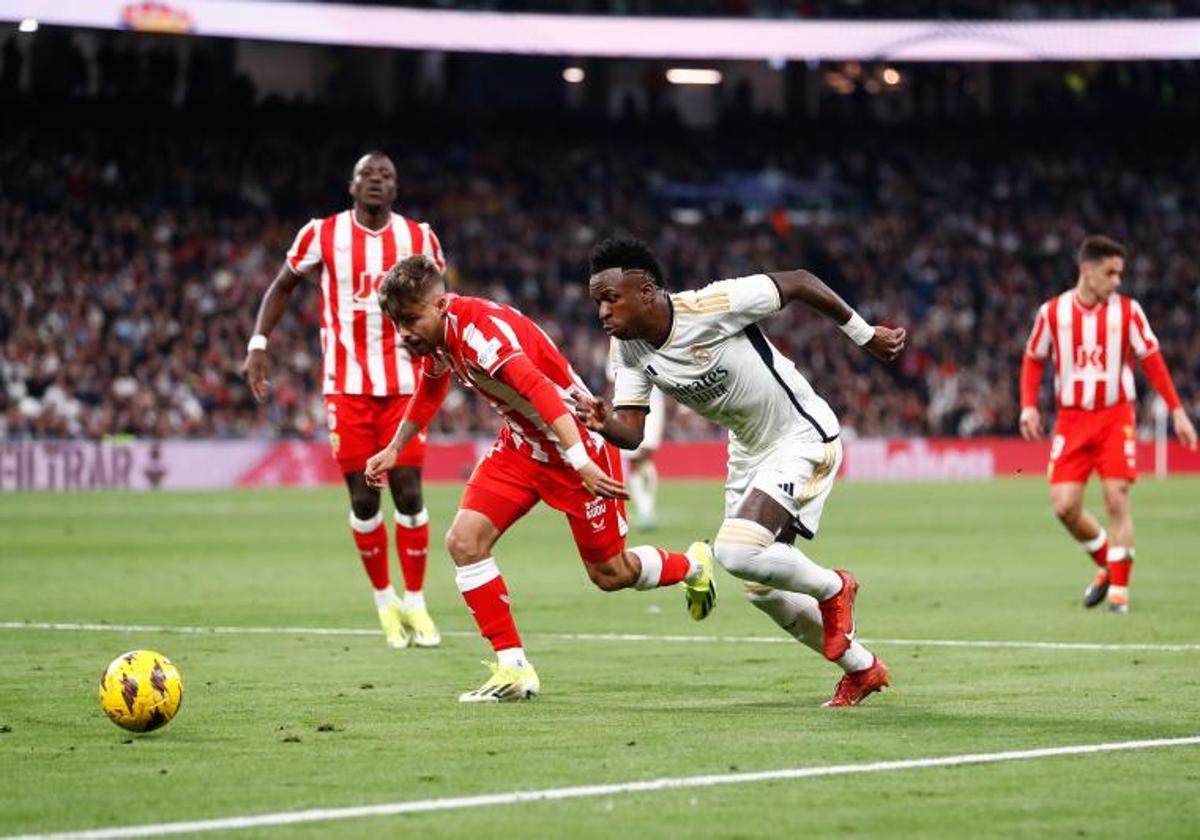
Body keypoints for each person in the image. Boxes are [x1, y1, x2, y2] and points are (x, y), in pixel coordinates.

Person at [365, 254, 717, 703]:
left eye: (410, 319)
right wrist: (395, 447)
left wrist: (580, 460)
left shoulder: (481, 335)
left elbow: (540, 391)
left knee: (610, 573)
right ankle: (513, 668)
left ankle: (693, 565)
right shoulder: (436, 340)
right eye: (396, 323)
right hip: (521, 447)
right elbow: (432, 387)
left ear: (439, 304)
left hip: (577, 443)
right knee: (464, 541)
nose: (404, 333)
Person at [576, 235, 906, 707]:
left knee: (734, 552)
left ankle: (835, 586)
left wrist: (864, 334)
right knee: (761, 589)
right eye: (596, 303)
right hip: (749, 453)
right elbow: (631, 431)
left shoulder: (712, 305)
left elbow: (799, 282)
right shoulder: (627, 351)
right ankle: (862, 669)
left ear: (646, 291)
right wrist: (604, 421)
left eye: (610, 298)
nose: (602, 313)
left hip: (801, 436)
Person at [242, 151, 444, 649]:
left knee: (410, 493)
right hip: (347, 387)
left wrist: (448, 354)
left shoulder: (419, 237)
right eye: (367, 174)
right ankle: (385, 602)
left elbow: (442, 302)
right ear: (352, 186)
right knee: (363, 497)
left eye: (386, 176)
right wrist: (258, 343)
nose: (376, 181)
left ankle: (416, 602)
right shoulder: (321, 233)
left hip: (405, 384)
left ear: (396, 189)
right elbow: (282, 285)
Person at [1019, 235, 1197, 613]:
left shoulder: (1129, 312)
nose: (1117, 281)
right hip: (1071, 420)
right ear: (1087, 270)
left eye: (1120, 274)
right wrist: (1028, 407)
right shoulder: (1053, 313)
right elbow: (1034, 358)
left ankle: (1120, 595)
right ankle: (1109, 565)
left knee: (1116, 497)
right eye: (1110, 272)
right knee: (1065, 507)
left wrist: (1177, 410)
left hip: (1116, 416)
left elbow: (1152, 359)